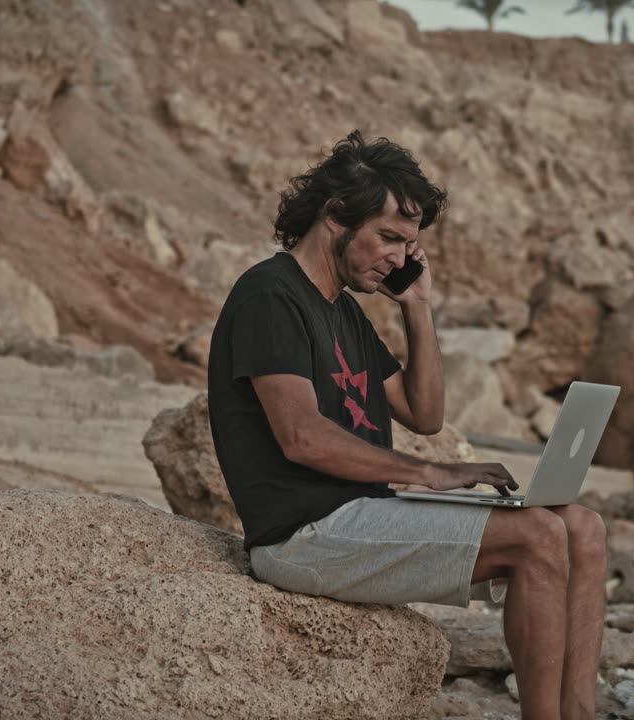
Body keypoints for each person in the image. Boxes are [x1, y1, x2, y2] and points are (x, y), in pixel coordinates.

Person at [207, 130, 608, 720]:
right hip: (303, 535)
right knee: (537, 538)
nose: (397, 256)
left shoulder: (343, 310)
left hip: (360, 519)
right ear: (335, 216)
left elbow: (424, 413)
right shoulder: (271, 296)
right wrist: (431, 473)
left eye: (408, 243)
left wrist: (417, 306)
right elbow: (301, 437)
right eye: (388, 237)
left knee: (582, 527)